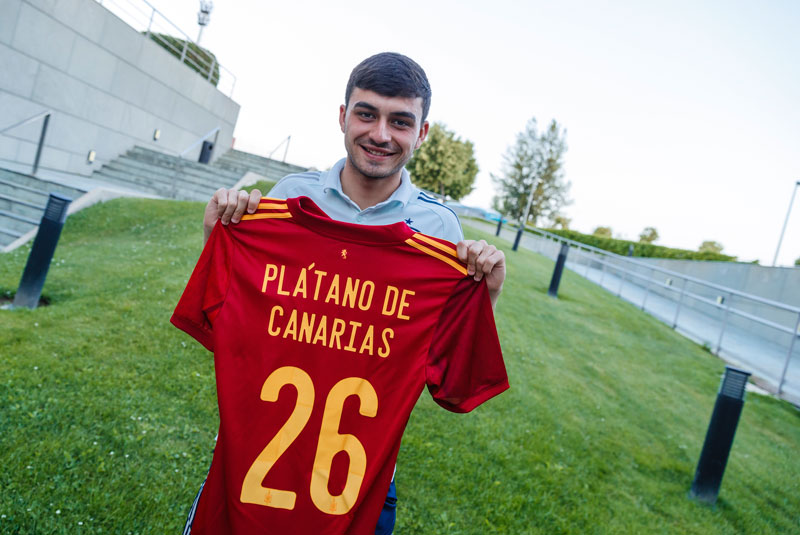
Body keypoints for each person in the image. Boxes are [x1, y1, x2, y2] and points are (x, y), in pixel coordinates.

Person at [195, 52, 505, 535]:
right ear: (342, 116)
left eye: (400, 121)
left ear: (421, 133)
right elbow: (233, 323)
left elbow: (451, 371)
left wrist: (485, 295)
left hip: (362, 476)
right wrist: (220, 238)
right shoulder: (286, 199)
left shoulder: (440, 231)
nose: (381, 134)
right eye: (367, 113)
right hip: (253, 454)